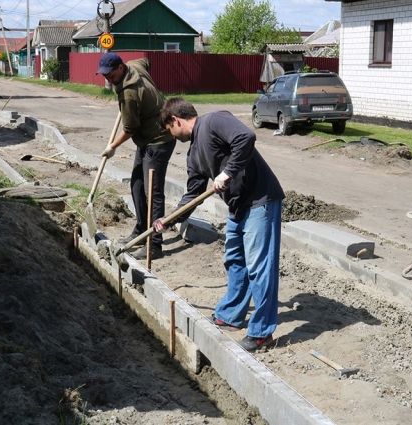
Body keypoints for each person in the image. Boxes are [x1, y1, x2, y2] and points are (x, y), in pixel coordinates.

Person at [155, 97, 285, 352]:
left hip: (260, 200)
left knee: (259, 268)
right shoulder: (193, 154)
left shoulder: (214, 121)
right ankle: (231, 315)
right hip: (238, 207)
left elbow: (245, 138)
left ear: (175, 120)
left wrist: (227, 172)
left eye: (168, 129)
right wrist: (170, 218)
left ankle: (261, 333)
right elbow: (192, 194)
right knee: (235, 260)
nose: (171, 136)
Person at [97, 52, 175, 260]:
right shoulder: (135, 65)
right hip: (146, 140)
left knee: (153, 193)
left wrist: (112, 146)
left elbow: (130, 128)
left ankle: (155, 245)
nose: (108, 79)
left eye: (111, 75)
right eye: (104, 75)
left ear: (121, 68)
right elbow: (146, 60)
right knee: (137, 185)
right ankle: (142, 229)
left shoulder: (129, 93)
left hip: (159, 140)